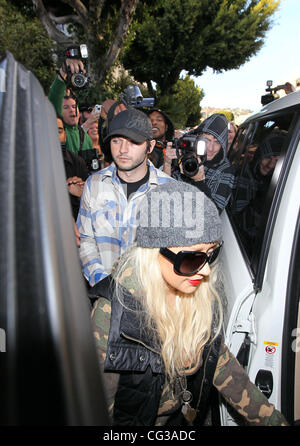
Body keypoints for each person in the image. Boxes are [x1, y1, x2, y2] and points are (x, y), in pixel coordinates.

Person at [90, 181, 288, 426]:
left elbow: (224, 369)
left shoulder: (199, 295)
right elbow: (98, 407)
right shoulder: (111, 314)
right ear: (154, 252)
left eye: (211, 254)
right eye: (193, 258)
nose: (205, 271)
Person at [77, 108, 174, 287]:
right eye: (116, 141)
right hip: (102, 293)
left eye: (133, 142)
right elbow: (85, 239)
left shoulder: (169, 191)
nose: (122, 149)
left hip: (149, 297)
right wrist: (100, 280)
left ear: (150, 146)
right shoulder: (95, 184)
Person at [163, 113, 236, 213]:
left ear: (223, 145)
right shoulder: (187, 154)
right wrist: (167, 164)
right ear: (197, 137)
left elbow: (213, 213)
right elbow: (163, 193)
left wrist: (200, 182)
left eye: (217, 142)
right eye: (206, 140)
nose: (211, 148)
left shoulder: (225, 170)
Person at [48, 58, 99, 154]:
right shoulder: (59, 132)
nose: (71, 110)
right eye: (66, 108)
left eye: (74, 107)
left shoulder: (85, 136)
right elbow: (56, 95)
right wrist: (63, 71)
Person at [56, 116, 89, 220]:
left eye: (59, 131)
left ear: (65, 135)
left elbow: (89, 207)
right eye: (49, 131)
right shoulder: (29, 164)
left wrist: (81, 195)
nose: (54, 136)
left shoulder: (77, 162)